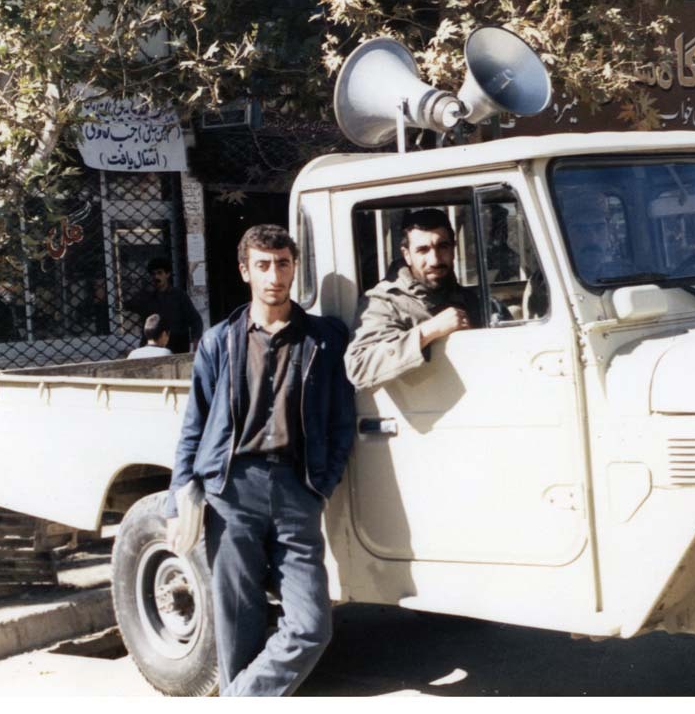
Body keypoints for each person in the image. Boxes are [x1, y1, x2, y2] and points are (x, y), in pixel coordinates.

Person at [165, 224, 355, 697]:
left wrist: (322, 484)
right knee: (238, 622)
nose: (275, 276)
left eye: (283, 264)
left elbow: (341, 422)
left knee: (311, 625)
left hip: (297, 489)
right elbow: (194, 425)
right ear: (245, 271)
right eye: (264, 265)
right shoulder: (220, 341)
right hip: (232, 491)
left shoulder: (324, 339)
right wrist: (178, 498)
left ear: (295, 267)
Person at [344, 208, 482, 390]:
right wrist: (428, 331)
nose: (435, 260)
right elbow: (359, 367)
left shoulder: (469, 299)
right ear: (407, 255)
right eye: (423, 250)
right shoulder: (385, 302)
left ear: (453, 249)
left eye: (443, 246)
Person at [125, 256, 203, 353]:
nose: (156, 277)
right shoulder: (147, 298)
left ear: (167, 274)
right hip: (154, 348)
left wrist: (196, 341)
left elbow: (195, 320)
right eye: (153, 274)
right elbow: (128, 305)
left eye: (160, 273)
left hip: (177, 346)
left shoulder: (179, 296)